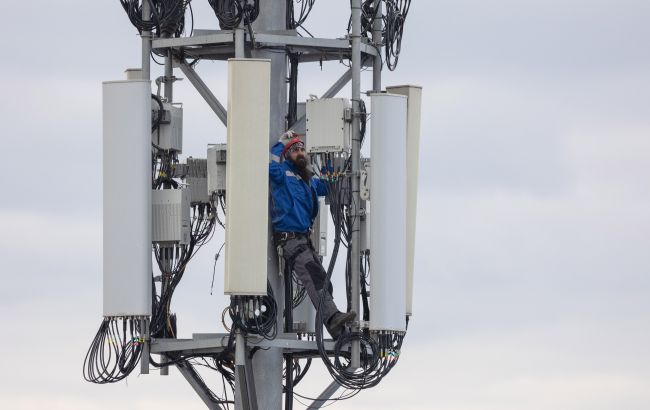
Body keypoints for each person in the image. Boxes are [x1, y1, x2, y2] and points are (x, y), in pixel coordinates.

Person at [269, 130, 356, 339]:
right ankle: (333, 320)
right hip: (290, 240)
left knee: (324, 281)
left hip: (303, 241)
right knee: (316, 280)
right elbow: (268, 166)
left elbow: (327, 186)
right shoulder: (282, 173)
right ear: (287, 155)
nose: (300, 152)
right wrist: (281, 143)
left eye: (302, 149)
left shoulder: (307, 180)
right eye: (295, 150)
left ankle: (337, 327)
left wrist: (331, 160)